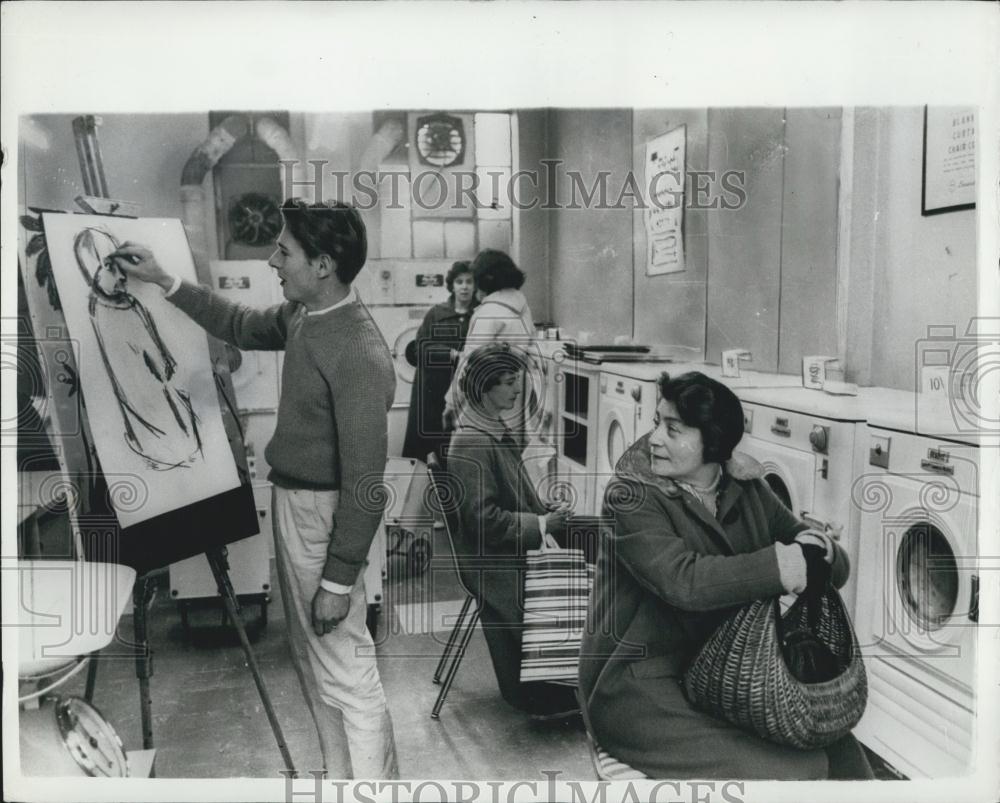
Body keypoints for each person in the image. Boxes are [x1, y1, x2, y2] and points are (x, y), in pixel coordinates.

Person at [110, 199, 399, 779]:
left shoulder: (360, 351)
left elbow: (367, 484)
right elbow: (238, 323)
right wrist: (164, 281)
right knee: (315, 664)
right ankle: (342, 782)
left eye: (284, 251)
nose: (273, 260)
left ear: (322, 265)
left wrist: (339, 580)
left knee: (345, 666)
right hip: (295, 504)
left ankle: (376, 790)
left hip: (324, 516)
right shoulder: (302, 317)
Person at [578, 371, 873, 780]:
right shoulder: (631, 497)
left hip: (730, 675)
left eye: (673, 429)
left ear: (713, 442)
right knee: (799, 769)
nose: (655, 439)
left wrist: (821, 548)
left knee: (841, 753)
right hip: (640, 686)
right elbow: (682, 581)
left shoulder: (746, 489)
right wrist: (780, 565)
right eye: (657, 423)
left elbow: (820, 558)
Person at [446, 344, 579, 719]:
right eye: (507, 384)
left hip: (499, 550)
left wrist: (542, 510)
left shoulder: (485, 427)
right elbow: (484, 519)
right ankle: (551, 689)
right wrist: (540, 525)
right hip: (494, 561)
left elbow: (506, 494)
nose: (517, 392)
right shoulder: (473, 440)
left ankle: (565, 675)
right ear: (482, 387)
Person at [443, 249, 540, 440]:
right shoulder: (523, 309)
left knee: (479, 455)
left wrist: (451, 404)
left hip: (489, 396)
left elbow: (469, 363)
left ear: (486, 280)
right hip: (519, 395)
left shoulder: (488, 312)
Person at [401, 260, 477, 465]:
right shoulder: (437, 313)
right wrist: (451, 354)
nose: (464, 286)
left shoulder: (479, 315)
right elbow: (419, 348)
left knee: (458, 450)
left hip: (462, 392)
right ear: (452, 285)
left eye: (469, 281)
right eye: (459, 281)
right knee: (428, 448)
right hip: (432, 391)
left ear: (475, 285)